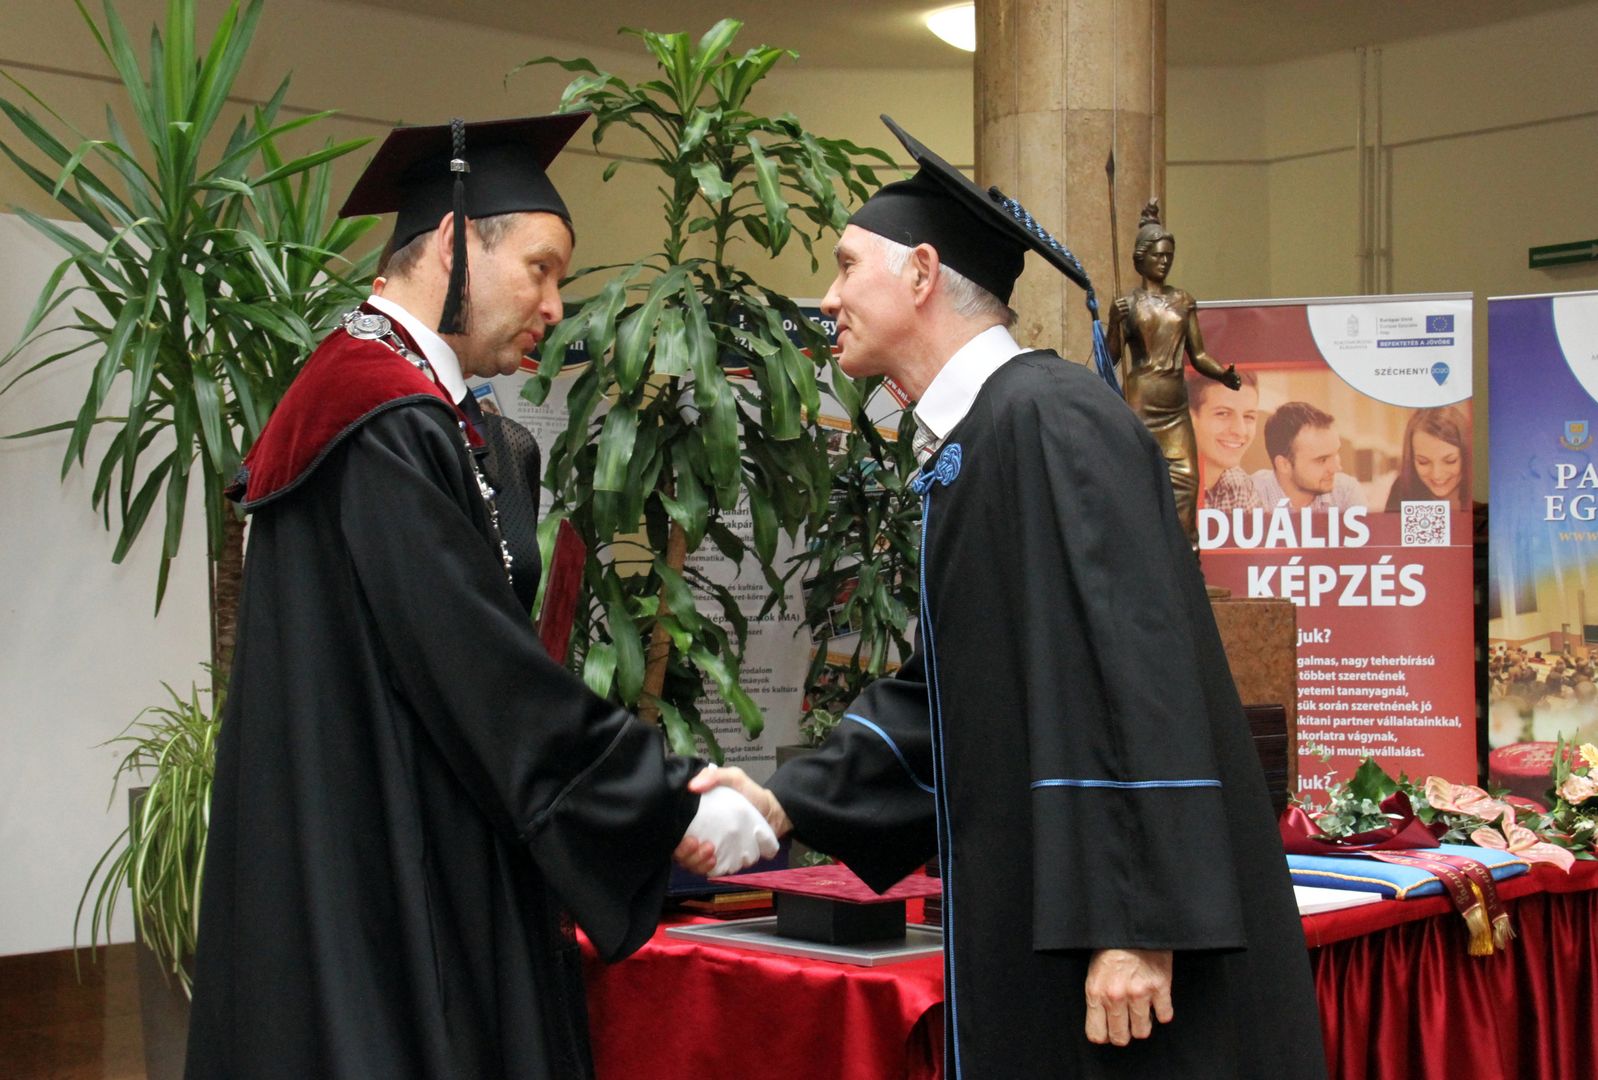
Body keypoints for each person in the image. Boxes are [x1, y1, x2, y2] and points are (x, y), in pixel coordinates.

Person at [694, 116, 1325, 1078]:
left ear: (920, 274)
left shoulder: (1050, 419)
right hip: (1045, 931)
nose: (827, 297)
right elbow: (951, 697)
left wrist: (1135, 922)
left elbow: (1135, 669)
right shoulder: (989, 433)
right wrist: (783, 804)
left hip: (1118, 953)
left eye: (846, 266)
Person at [184, 114, 775, 1080]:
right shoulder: (379, 415)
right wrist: (664, 802)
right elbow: (481, 673)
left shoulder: (404, 403)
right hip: (390, 876)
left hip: (390, 840)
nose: (554, 304)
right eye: (540, 269)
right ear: (457, 241)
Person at [1107, 199, 1242, 545]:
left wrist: (1223, 375)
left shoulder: (1183, 300)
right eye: (1158, 256)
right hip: (1141, 403)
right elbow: (1111, 358)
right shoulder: (1129, 304)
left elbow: (1198, 355)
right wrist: (1113, 322)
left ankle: (1187, 560)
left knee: (1186, 482)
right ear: (1141, 259)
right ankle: (1144, 557)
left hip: (1175, 408)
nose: (1164, 261)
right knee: (1139, 485)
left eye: (1169, 256)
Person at [1252, 400, 1365, 510]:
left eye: (1335, 454)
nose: (1336, 468)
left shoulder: (1346, 491)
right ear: (1284, 464)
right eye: (1322, 460)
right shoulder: (1251, 493)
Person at [1187, 366, 1263, 512]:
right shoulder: (1161, 486)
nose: (1240, 430)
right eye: (1223, 413)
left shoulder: (1240, 485)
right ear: (1190, 418)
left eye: (1248, 416)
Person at [1384, 403, 1471, 511]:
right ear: (1411, 459)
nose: (1437, 475)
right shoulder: (1401, 489)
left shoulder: (1484, 490)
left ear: (1466, 456)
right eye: (1423, 462)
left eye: (1450, 461)